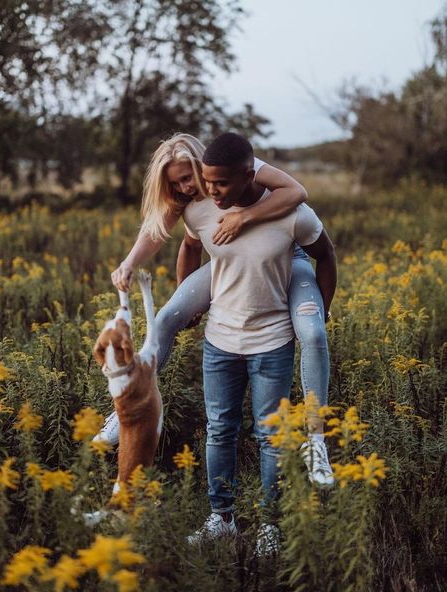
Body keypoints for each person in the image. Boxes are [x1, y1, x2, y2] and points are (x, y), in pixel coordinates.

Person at [95, 133, 332, 484]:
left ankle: (316, 439)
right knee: (165, 319)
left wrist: (245, 217)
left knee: (312, 333)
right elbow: (175, 239)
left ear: (201, 163)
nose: (186, 188)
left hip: (285, 256)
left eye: (188, 178)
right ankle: (129, 399)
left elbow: (297, 193)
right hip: (229, 265)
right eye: (176, 184)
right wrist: (134, 265)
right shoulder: (191, 199)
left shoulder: (241, 170)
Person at [179, 133, 337, 549]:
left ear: (249, 175)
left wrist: (324, 307)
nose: (211, 192)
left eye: (222, 184)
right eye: (207, 182)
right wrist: (188, 300)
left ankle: (271, 524)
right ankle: (221, 517)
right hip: (220, 342)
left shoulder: (291, 213)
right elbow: (189, 246)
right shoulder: (200, 211)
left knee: (271, 437)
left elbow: (326, 253)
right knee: (219, 432)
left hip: (272, 342)